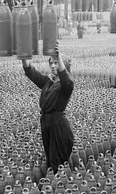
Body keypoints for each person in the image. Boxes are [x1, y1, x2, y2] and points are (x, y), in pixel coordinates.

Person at [21, 43, 74, 174]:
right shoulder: (48, 82)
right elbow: (31, 72)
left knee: (58, 161)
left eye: (56, 63)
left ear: (64, 65)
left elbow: (66, 78)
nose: (53, 66)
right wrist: (23, 55)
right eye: (51, 63)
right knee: (50, 159)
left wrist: (58, 56)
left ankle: (60, 185)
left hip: (58, 125)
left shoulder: (66, 85)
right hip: (46, 122)